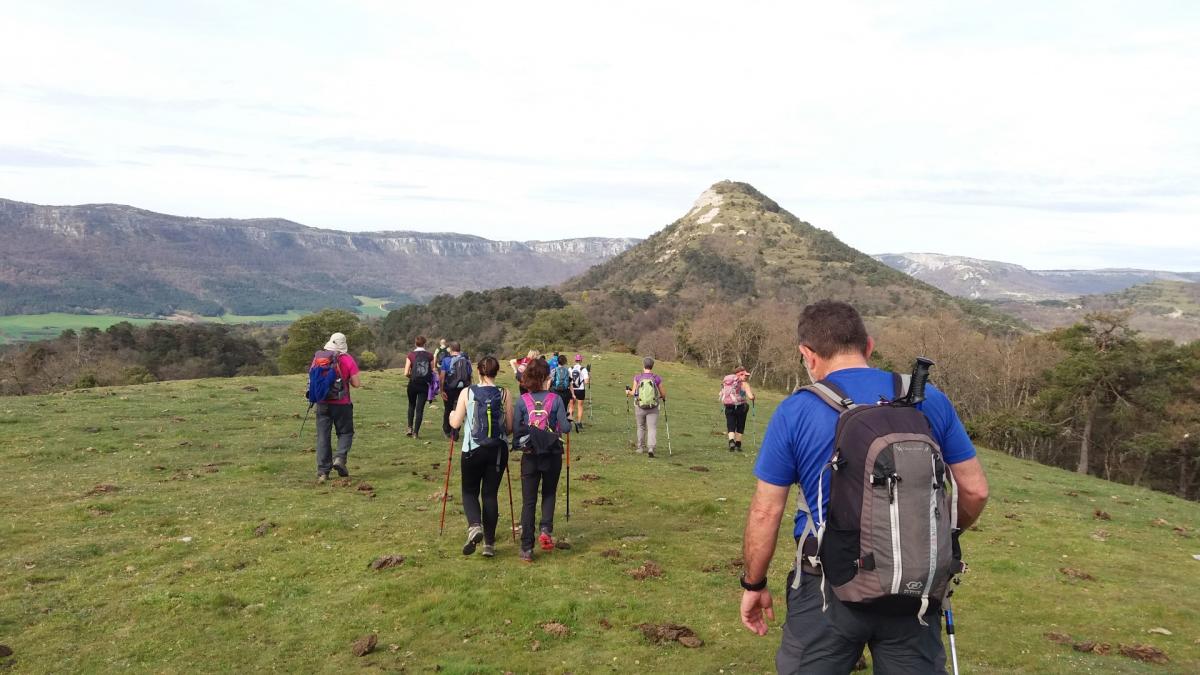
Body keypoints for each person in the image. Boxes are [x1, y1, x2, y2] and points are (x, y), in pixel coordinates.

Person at [738, 300, 990, 674]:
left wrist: (753, 583)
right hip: (912, 585)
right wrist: (932, 540)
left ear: (807, 355)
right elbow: (975, 491)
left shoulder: (796, 411)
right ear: (868, 346)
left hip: (824, 585)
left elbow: (766, 511)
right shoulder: (928, 399)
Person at [449, 356, 513, 558]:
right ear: (496, 372)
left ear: (479, 372)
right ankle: (489, 545)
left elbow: (456, 423)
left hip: (472, 449)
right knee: (490, 495)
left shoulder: (467, 392)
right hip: (497, 451)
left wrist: (451, 415)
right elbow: (510, 427)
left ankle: (475, 526)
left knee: (469, 491)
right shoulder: (504, 393)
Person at [512, 358, 570, 563]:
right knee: (549, 492)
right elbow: (566, 427)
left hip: (529, 455)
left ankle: (527, 548)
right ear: (547, 377)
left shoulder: (522, 401)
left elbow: (517, 429)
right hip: (553, 453)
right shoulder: (556, 399)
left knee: (528, 501)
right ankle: (545, 529)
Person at [313, 332, 362, 483]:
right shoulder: (347, 359)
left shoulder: (319, 358)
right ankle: (340, 458)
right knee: (346, 432)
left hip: (322, 402)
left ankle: (323, 472)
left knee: (323, 436)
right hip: (342, 403)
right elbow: (356, 383)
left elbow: (312, 376)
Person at [626, 356, 665, 458]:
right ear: (652, 366)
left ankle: (640, 447)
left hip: (640, 407)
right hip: (653, 407)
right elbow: (663, 394)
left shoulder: (638, 377)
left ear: (643, 365)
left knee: (641, 427)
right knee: (652, 428)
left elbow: (634, 393)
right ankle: (651, 448)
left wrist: (628, 392)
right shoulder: (656, 378)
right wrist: (659, 398)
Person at [404, 335, 435, 438]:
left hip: (413, 383)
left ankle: (409, 427)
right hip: (424, 385)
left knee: (411, 405)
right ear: (425, 344)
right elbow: (432, 371)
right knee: (420, 409)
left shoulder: (411, 355)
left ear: (415, 343)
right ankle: (416, 433)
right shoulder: (430, 356)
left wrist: (411, 377)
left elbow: (405, 373)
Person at [720, 365, 756, 452]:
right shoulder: (745, 384)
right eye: (744, 375)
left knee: (730, 424)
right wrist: (753, 397)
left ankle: (731, 442)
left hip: (729, 406)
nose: (746, 377)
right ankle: (738, 445)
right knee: (740, 425)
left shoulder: (728, 383)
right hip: (741, 407)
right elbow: (750, 397)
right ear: (739, 374)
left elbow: (721, 393)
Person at [440, 341, 471, 440]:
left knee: (448, 409)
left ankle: (447, 430)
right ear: (459, 349)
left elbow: (442, 377)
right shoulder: (466, 361)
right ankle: (456, 431)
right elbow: (469, 376)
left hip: (449, 389)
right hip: (462, 389)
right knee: (460, 409)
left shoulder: (446, 360)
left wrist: (441, 390)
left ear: (451, 349)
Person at [568, 354, 590, 431]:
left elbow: (568, 380)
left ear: (575, 360)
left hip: (572, 389)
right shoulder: (583, 369)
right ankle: (579, 423)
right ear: (581, 360)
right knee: (580, 406)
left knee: (571, 406)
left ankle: (569, 423)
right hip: (580, 390)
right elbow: (587, 381)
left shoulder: (570, 369)